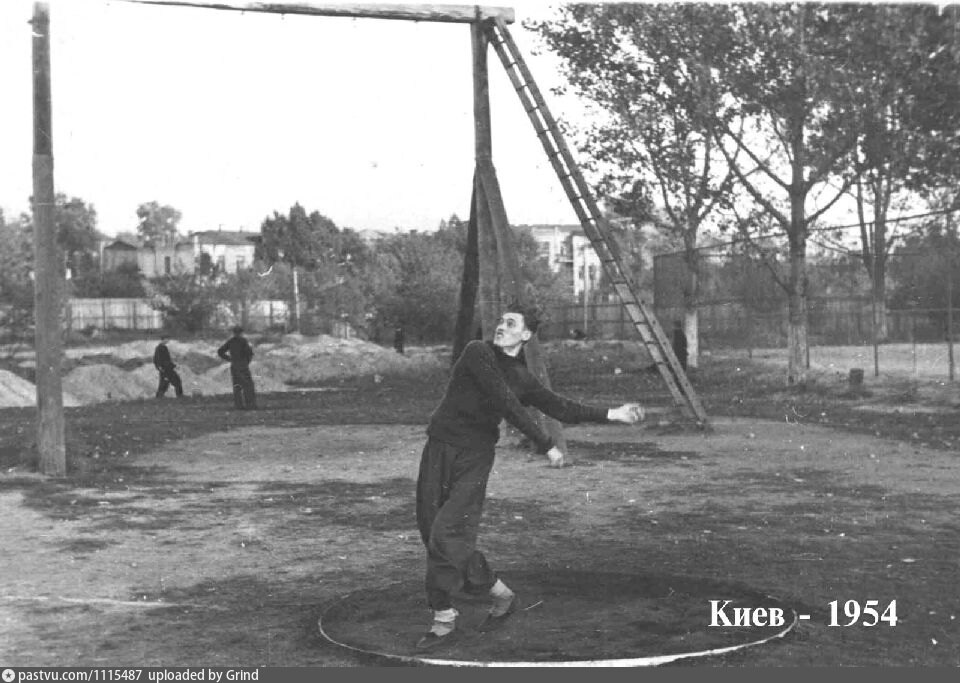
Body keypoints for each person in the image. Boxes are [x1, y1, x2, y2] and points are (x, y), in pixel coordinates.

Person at [414, 302, 644, 650]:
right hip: (439, 447)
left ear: (526, 334)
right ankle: (499, 592)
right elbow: (505, 401)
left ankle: (443, 617)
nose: (500, 326)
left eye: (510, 323)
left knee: (447, 533)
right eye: (501, 321)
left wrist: (614, 414)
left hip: (474, 458)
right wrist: (546, 443)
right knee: (432, 531)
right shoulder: (477, 352)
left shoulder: (522, 377)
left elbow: (561, 407)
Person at [217, 325, 257, 410]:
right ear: (241, 333)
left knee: (237, 386)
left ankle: (238, 406)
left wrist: (229, 359)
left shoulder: (231, 341)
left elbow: (220, 351)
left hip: (234, 366)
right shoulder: (243, 341)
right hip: (243, 366)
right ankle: (250, 405)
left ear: (234, 333)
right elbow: (249, 353)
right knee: (248, 385)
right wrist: (246, 362)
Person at [153, 333, 184, 399]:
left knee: (165, 383)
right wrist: (159, 367)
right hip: (165, 369)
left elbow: (167, 359)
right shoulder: (159, 348)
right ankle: (180, 396)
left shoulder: (164, 347)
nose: (168, 340)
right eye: (167, 339)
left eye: (168, 339)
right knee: (175, 382)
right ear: (163, 339)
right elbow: (157, 359)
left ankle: (159, 397)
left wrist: (173, 366)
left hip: (167, 368)